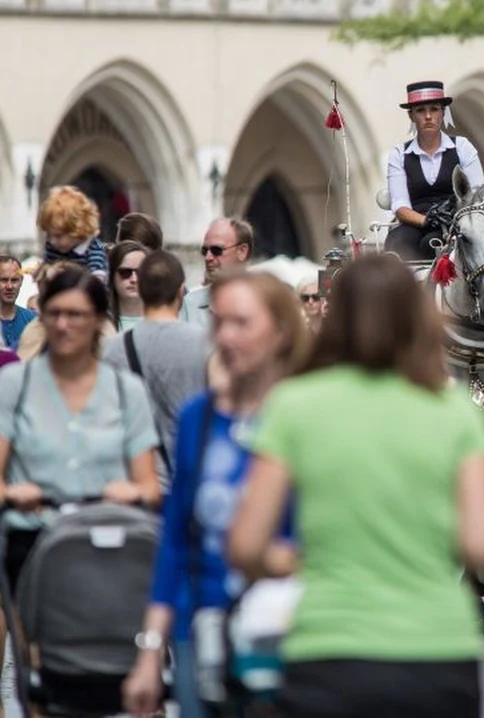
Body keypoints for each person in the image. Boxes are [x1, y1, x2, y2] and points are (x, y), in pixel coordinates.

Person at [228, 254, 484, 718]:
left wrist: (306, 558)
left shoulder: (294, 406)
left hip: (328, 648)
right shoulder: (454, 412)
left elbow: (246, 544)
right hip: (438, 649)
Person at [123, 271, 305, 718]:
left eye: (241, 323)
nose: (224, 336)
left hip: (288, 633)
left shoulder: (306, 417)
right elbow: (175, 541)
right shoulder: (197, 419)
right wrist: (149, 651)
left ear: (280, 333)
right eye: (218, 322)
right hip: (200, 627)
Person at [0, 264, 161, 706]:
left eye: (75, 315)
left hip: (107, 542)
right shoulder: (15, 385)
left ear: (96, 321)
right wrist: (15, 493)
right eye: (53, 314)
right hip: (35, 541)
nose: (63, 325)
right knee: (37, 671)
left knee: (111, 666)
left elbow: (149, 485)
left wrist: (131, 493)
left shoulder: (125, 390)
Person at [103, 250, 212, 484]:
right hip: (192, 475)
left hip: (136, 480)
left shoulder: (112, 349)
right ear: (181, 291)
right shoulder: (207, 345)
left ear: (141, 289)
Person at [384, 81, 484, 260]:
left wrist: (453, 218)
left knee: (431, 244)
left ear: (443, 112)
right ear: (411, 116)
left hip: (454, 221)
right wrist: (426, 220)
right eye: (420, 111)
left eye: (434, 109)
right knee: (398, 242)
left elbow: (477, 194)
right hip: (414, 222)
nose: (428, 116)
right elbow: (400, 206)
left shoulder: (463, 147)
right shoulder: (399, 154)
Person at [183, 217, 254, 329]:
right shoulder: (189, 303)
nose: (208, 257)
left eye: (217, 250)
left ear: (242, 251)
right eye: (204, 251)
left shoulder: (267, 302)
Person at [37, 185, 109, 280]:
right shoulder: (52, 247)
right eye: (49, 235)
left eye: (58, 236)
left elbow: (96, 285)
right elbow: (46, 267)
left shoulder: (93, 251)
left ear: (78, 231)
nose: (52, 241)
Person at [108, 240, 149, 332]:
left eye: (140, 272)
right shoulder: (99, 325)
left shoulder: (163, 322)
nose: (134, 279)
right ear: (111, 275)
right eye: (125, 273)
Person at [0, 255, 35, 350]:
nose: (9, 286)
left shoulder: (32, 320)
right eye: (3, 280)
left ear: (21, 281)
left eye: (14, 280)